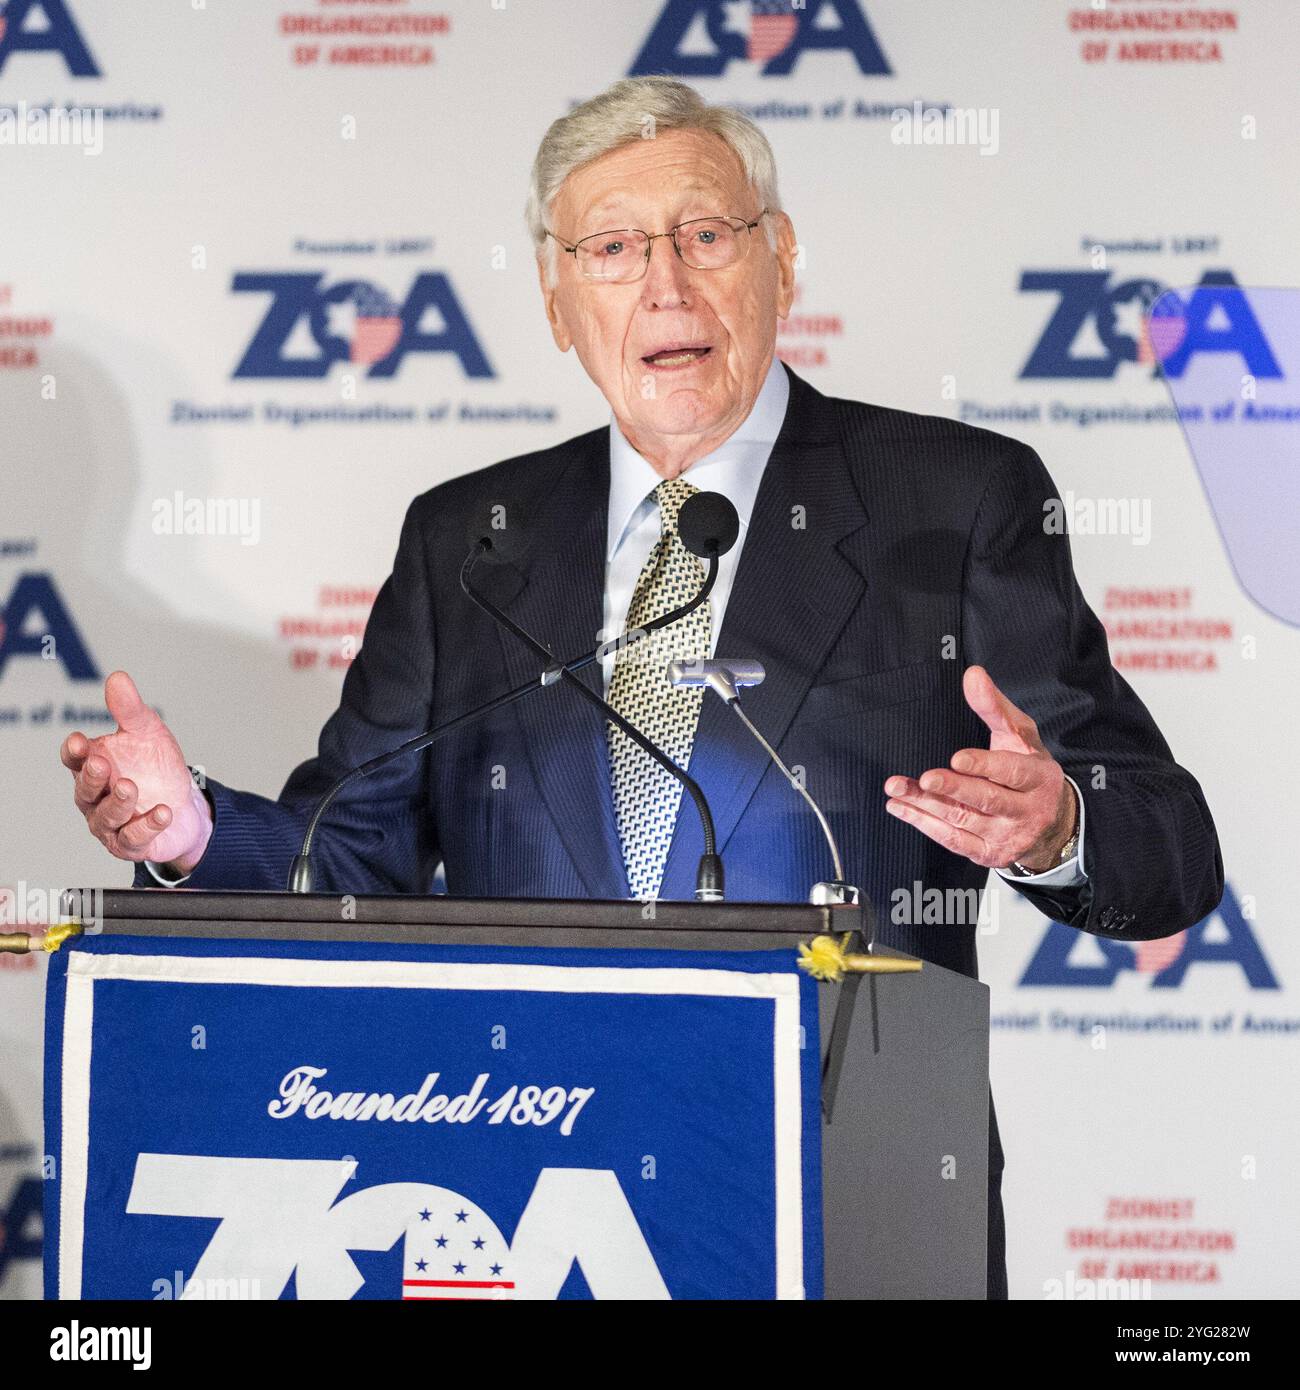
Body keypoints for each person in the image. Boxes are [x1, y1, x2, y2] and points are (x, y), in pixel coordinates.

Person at [58, 77, 1223, 1299]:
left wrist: (1061, 826)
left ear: (779, 260)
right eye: (610, 248)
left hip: (848, 1199)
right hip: (542, 1202)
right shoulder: (470, 541)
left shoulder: (954, 499)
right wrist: (194, 831)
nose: (663, 284)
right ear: (558, 303)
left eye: (705, 236)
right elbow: (348, 864)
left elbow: (1168, 844)